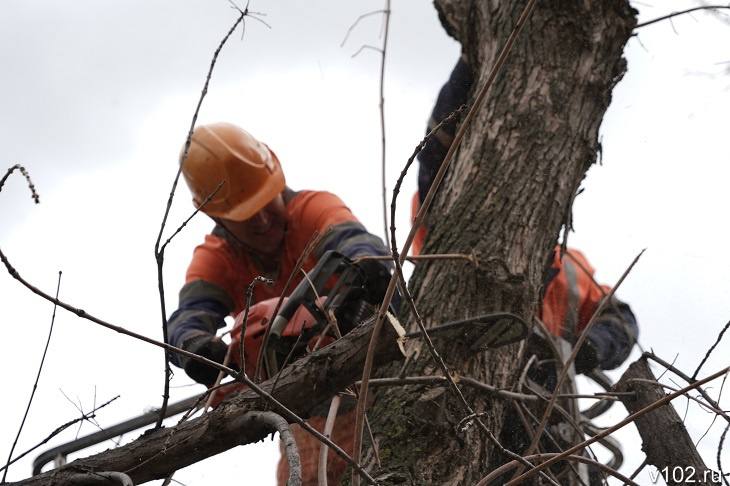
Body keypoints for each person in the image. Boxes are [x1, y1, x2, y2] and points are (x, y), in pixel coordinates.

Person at [166, 122, 392, 485]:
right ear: (214, 215)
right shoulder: (216, 259)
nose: (262, 219)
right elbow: (185, 320)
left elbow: (359, 245)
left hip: (381, 373)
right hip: (306, 406)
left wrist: (363, 280)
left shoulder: (315, 210)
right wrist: (195, 350)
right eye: (245, 214)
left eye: (264, 201)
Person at [411, 56, 638, 374]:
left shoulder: (570, 268)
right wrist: (474, 62)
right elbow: (437, 150)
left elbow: (622, 322)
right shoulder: (449, 214)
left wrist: (584, 351)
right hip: (448, 367)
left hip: (534, 401)